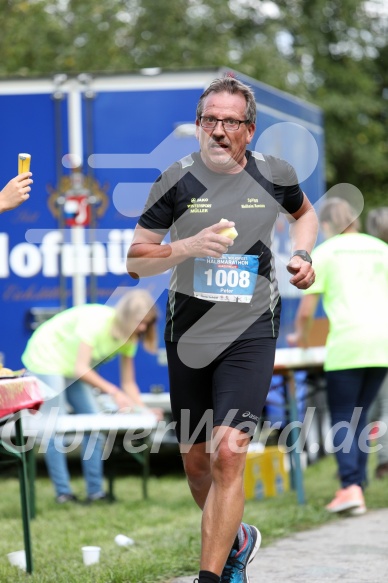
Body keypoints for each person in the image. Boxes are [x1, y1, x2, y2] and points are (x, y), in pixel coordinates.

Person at [127, 76, 318, 583]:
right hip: (189, 333)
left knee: (228, 451)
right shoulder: (174, 179)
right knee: (196, 462)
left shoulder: (275, 174)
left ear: (248, 130)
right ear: (197, 126)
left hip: (251, 327)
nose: (218, 129)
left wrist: (302, 254)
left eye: (230, 121)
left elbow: (305, 214)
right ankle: (238, 539)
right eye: (209, 119)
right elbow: (135, 260)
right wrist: (187, 247)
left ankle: (211, 577)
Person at [288, 198, 388, 515]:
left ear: (327, 225)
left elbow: (306, 311)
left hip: (347, 344)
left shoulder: (327, 252)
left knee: (344, 416)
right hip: (382, 345)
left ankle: (349, 487)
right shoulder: (379, 248)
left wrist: (299, 338)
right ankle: (357, 482)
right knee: (362, 415)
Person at [21, 289, 159, 504]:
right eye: (138, 322)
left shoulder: (130, 337)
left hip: (70, 368)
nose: (142, 328)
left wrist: (142, 410)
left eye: (146, 323)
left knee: (95, 424)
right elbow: (80, 368)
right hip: (46, 357)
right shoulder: (97, 322)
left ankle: (95, 492)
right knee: (54, 426)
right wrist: (113, 393)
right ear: (125, 316)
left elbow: (129, 383)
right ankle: (63, 493)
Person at [366, 207, 388, 479]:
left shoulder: (367, 256)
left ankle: (356, 464)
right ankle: (383, 461)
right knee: (382, 406)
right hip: (381, 338)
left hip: (361, 340)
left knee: (369, 407)